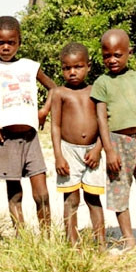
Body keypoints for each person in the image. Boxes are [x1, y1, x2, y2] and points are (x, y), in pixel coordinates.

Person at [90, 29, 136, 258]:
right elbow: (101, 118)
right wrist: (109, 150)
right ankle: (129, 240)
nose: (112, 60)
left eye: (118, 55)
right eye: (107, 55)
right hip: (117, 143)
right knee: (119, 193)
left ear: (129, 53)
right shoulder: (102, 83)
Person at [0, 16, 56, 232]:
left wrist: (44, 111)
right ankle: (21, 236)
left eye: (11, 42)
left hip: (30, 138)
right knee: (15, 194)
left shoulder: (30, 66)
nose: (5, 47)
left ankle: (47, 236)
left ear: (19, 42)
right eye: (0, 42)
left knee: (41, 193)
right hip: (6, 139)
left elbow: (53, 88)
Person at [50, 43, 105, 248]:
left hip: (92, 151)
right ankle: (72, 243)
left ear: (88, 66)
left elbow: (103, 123)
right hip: (68, 151)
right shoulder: (59, 93)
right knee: (70, 199)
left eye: (78, 67)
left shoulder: (96, 91)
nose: (72, 72)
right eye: (67, 68)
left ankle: (100, 244)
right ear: (62, 68)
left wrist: (98, 148)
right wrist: (58, 156)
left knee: (93, 199)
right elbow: (55, 126)